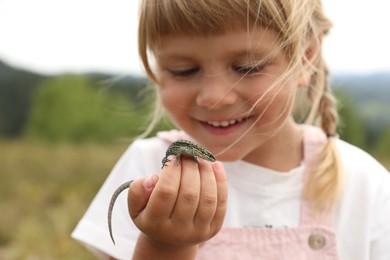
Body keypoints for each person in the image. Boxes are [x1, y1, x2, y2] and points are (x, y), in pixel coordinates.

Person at [72, 0, 390, 259]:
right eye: (184, 70)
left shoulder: (366, 183)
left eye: (247, 68)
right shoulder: (147, 163)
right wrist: (165, 246)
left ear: (304, 58)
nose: (214, 98)